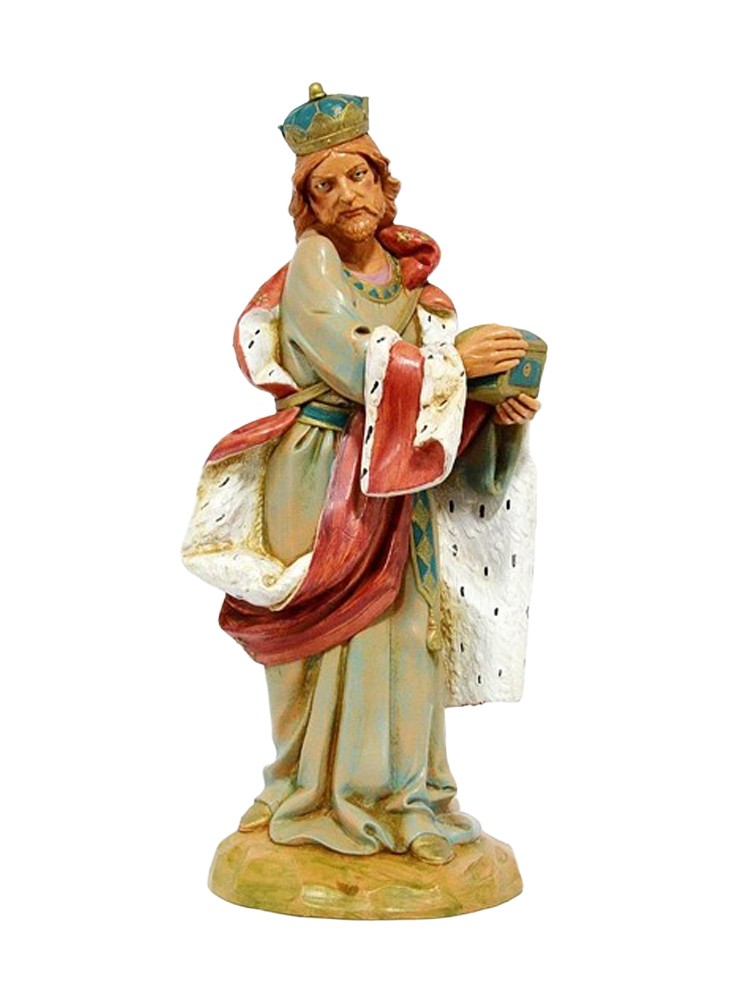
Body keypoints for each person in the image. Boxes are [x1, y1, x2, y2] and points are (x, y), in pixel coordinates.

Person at [183, 85, 541, 866]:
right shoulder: (313, 264)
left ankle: (408, 799)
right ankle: (319, 793)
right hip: (325, 479)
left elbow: (436, 404)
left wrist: (494, 410)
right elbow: (353, 365)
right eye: (326, 184)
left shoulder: (417, 290)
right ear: (308, 204)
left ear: (384, 184)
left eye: (358, 176)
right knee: (338, 638)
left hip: (398, 482)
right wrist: (454, 366)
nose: (347, 194)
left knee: (409, 632)